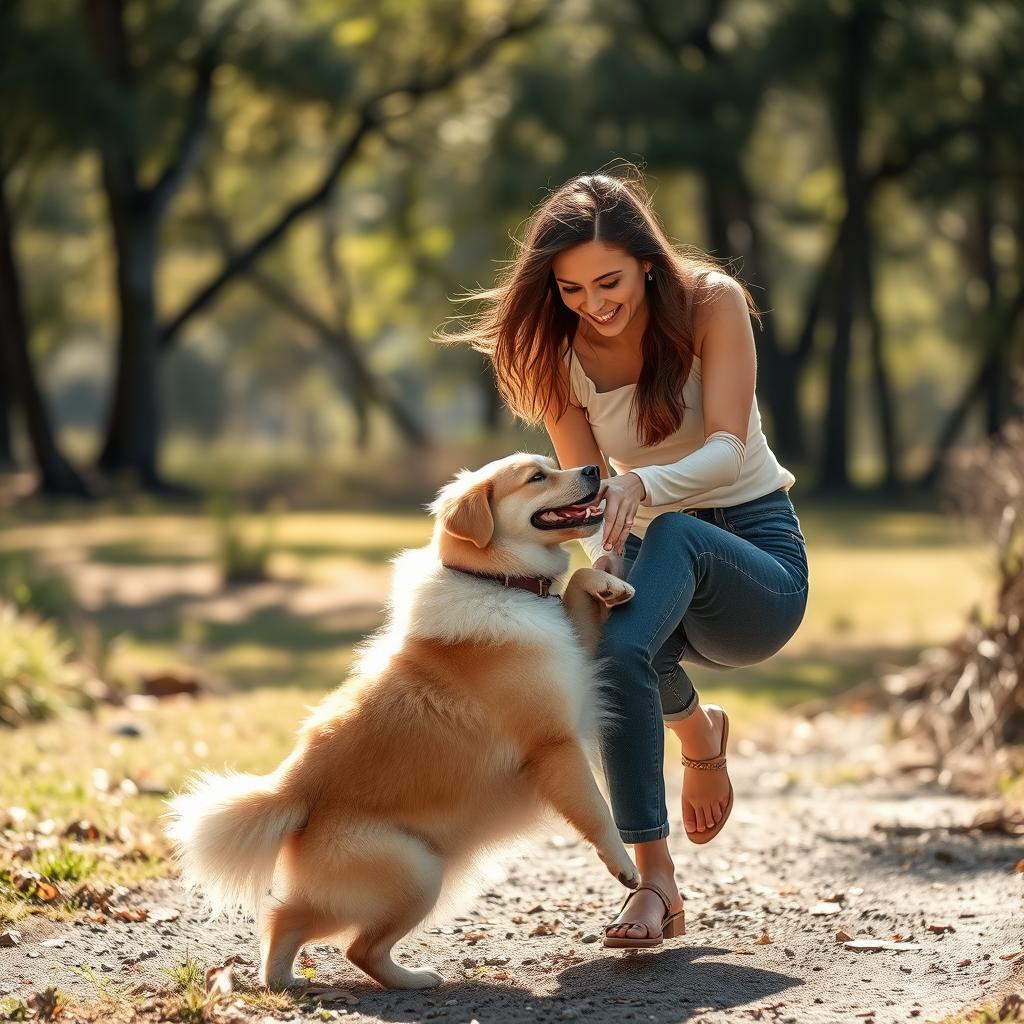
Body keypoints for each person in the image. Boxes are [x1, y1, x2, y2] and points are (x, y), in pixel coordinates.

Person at [436, 169, 809, 948]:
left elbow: (727, 448)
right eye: (571, 291)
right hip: (653, 549)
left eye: (608, 281)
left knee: (669, 534)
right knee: (608, 643)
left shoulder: (711, 302)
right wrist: (597, 561)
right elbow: (587, 501)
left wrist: (641, 486)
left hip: (756, 565)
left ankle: (697, 736)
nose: (594, 304)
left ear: (645, 258)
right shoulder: (559, 358)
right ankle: (656, 884)